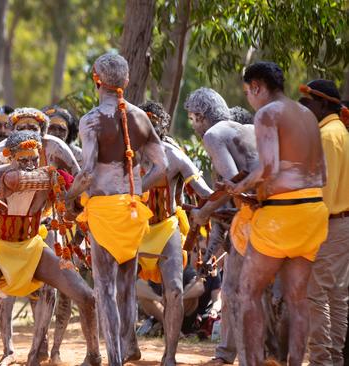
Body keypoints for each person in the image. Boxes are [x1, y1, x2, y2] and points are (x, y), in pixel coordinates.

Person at [65, 53, 168, 366]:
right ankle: (129, 346)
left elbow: (86, 174)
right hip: (133, 210)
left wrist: (68, 197)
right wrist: (136, 189)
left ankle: (114, 358)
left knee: (106, 288)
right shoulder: (140, 117)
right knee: (126, 284)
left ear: (97, 79)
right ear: (125, 81)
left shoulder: (92, 119)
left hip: (104, 211)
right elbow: (162, 166)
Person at [228, 61, 328, 365]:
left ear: (256, 86)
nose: (249, 98)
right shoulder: (308, 114)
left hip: (283, 217)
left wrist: (241, 187)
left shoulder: (267, 113)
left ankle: (255, 362)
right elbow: (320, 173)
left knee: (248, 290)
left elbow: (269, 167)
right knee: (298, 299)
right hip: (313, 212)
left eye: (248, 92)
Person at [0, 130, 101, 365]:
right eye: (23, 161)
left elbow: (70, 212)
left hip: (32, 248)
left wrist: (76, 189)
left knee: (86, 296)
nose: (31, 167)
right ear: (8, 158)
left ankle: (94, 355)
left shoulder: (49, 178)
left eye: (35, 160)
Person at [185, 87, 259, 366]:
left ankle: (238, 356)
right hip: (274, 218)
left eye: (192, 118)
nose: (192, 125)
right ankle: (231, 353)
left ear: (201, 116)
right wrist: (213, 248)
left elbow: (234, 184)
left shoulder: (214, 135)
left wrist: (203, 211)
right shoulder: (244, 128)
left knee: (233, 291)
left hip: (253, 219)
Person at [134, 100, 212, 362]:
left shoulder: (176, 156)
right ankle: (127, 344)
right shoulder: (126, 155)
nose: (148, 131)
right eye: (143, 125)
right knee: (121, 288)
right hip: (133, 229)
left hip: (167, 227)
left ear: (162, 128)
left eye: (152, 125)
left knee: (175, 290)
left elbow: (204, 192)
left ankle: (170, 354)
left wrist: (230, 197)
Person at [298, 79, 349, 366]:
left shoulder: (328, 136)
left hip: (328, 223)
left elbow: (323, 192)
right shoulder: (341, 131)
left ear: (322, 104)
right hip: (342, 224)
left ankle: (321, 361)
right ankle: (333, 359)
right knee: (337, 297)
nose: (308, 109)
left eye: (311, 103)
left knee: (317, 295)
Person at [0, 108, 79, 175]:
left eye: (33, 128)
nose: (27, 134)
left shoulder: (55, 146)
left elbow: (77, 177)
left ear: (42, 132)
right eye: (21, 128)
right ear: (12, 132)